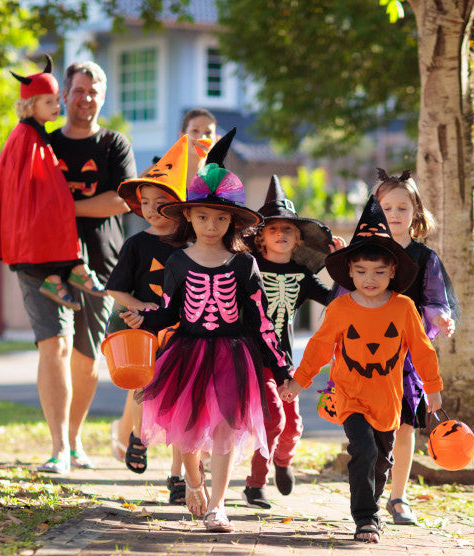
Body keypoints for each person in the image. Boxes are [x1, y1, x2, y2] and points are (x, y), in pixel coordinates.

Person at [120, 129, 290, 533]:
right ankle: (192, 482)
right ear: (189, 218)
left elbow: (260, 319)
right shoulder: (178, 262)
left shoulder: (244, 264)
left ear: (231, 220)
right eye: (201, 216)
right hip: (188, 351)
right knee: (186, 427)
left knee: (226, 430)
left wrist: (280, 366)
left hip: (233, 354)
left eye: (219, 217)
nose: (210, 224)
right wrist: (144, 319)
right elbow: (170, 310)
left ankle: (218, 506)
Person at [280, 196, 443, 543]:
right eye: (362, 272)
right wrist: (298, 382)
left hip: (388, 399)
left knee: (381, 461)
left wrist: (432, 387)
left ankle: (375, 500)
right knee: (363, 451)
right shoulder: (340, 308)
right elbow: (319, 348)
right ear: (350, 272)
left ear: (393, 272)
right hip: (349, 394)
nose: (370, 279)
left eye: (379, 272)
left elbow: (422, 350)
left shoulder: (403, 308)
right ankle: (365, 518)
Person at [13, 60, 137, 475]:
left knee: (86, 358)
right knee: (55, 346)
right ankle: (58, 447)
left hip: (100, 264)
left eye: (93, 91)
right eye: (78, 90)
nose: (85, 98)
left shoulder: (113, 145)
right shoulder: (41, 142)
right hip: (41, 262)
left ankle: (74, 436)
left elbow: (120, 200)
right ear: (63, 95)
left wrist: (61, 206)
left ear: (102, 97)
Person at [240, 175, 345, 509]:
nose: (281, 234)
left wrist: (342, 268)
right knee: (274, 419)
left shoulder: (302, 274)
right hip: (255, 357)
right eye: (272, 229)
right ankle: (255, 484)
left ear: (298, 238)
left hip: (285, 360)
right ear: (260, 238)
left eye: (287, 229)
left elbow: (334, 300)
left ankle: (283, 462)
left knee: (293, 424)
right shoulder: (249, 267)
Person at [0, 55, 107, 312]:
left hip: (40, 212)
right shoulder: (25, 137)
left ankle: (71, 271)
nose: (56, 106)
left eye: (55, 99)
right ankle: (60, 276)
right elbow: (25, 182)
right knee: (56, 215)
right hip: (31, 218)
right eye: (48, 102)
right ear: (30, 104)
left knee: (61, 213)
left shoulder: (33, 133)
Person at [106, 135, 193, 503]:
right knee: (145, 387)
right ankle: (139, 437)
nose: (152, 209)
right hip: (146, 332)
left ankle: (178, 475)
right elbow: (116, 290)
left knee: (183, 400)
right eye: (145, 203)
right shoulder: (137, 245)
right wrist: (142, 310)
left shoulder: (193, 246)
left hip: (186, 332)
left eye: (162, 203)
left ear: (180, 206)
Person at [373, 168, 459, 526]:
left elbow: (434, 298)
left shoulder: (426, 258)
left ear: (415, 212)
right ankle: (370, 491)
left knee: (406, 425)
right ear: (376, 212)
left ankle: (398, 497)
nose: (394, 214)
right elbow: (346, 295)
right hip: (369, 352)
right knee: (373, 427)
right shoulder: (369, 253)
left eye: (402, 208)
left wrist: (441, 318)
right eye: (387, 208)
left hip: (408, 355)